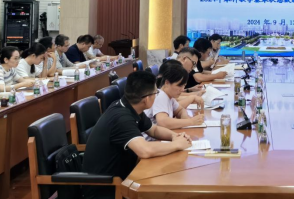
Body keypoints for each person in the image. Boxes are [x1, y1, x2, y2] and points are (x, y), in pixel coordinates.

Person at [82, 71, 192, 199]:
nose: (156, 96)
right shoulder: (121, 118)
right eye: (156, 93)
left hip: (125, 178)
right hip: (107, 188)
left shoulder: (130, 106)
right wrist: (176, 145)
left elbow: (154, 130)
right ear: (147, 99)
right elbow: (145, 150)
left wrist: (175, 136)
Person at [144, 61, 205, 132]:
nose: (182, 89)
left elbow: (180, 110)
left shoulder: (170, 96)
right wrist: (191, 121)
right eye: (179, 85)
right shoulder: (160, 96)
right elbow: (163, 122)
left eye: (184, 86)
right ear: (167, 83)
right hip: (150, 138)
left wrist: (185, 117)